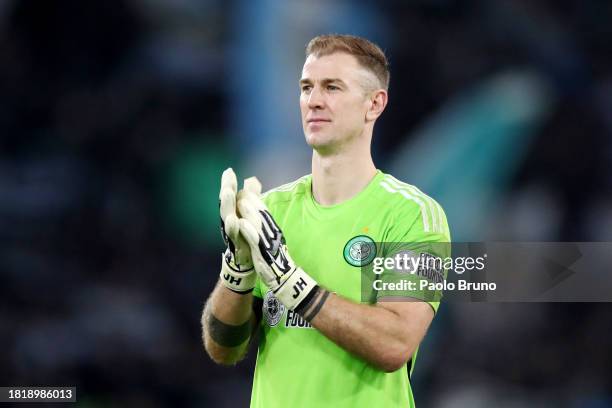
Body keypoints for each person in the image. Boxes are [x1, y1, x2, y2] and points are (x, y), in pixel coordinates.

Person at [202, 34, 451, 407]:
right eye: (307, 88)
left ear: (374, 104)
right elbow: (224, 348)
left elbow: (394, 344)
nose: (314, 101)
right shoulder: (271, 210)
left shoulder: (412, 214)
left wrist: (292, 284)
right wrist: (236, 272)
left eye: (332, 87)